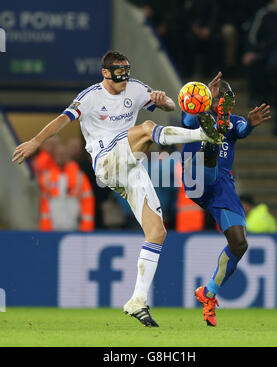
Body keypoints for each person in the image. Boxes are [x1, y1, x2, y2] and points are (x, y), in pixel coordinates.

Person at [12, 50, 223, 327]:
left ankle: (137, 300)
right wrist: (36, 141)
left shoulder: (135, 89)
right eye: (119, 74)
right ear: (105, 73)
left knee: (157, 232)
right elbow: (62, 120)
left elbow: (171, 106)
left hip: (131, 168)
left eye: (126, 72)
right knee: (147, 128)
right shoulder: (89, 97)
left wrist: (165, 100)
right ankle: (204, 135)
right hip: (107, 161)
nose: (124, 79)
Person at [180, 80, 272, 327]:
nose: (222, 102)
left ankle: (208, 293)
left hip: (222, 186)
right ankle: (211, 138)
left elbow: (242, 130)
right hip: (196, 174)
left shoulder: (235, 122)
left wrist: (250, 125)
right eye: (220, 99)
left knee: (239, 243)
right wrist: (202, 100)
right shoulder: (191, 114)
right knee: (209, 147)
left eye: (226, 100)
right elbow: (188, 120)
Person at [38, 143, 95, 231]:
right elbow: (44, 206)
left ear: (68, 156)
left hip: (74, 226)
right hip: (53, 227)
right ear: (54, 156)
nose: (61, 157)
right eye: (59, 155)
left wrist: (86, 227)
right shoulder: (47, 177)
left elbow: (87, 201)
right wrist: (45, 229)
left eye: (64, 155)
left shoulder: (79, 176)